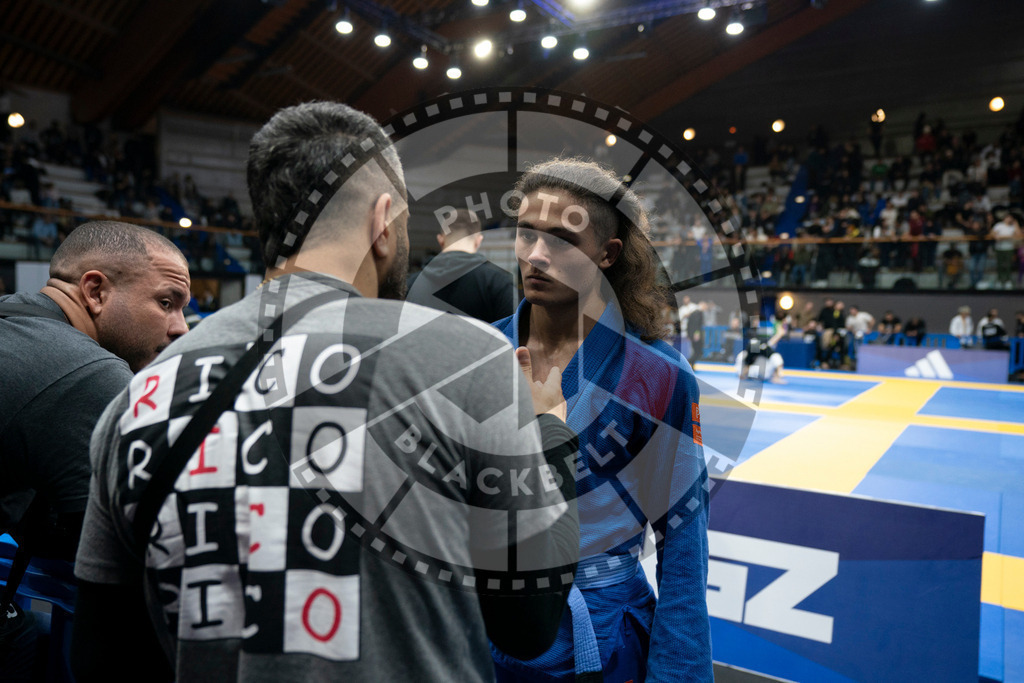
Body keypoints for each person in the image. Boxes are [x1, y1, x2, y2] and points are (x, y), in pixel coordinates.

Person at [71, 102, 579, 682]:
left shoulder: (138, 398)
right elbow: (529, 622)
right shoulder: (466, 358)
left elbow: (100, 655)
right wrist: (551, 431)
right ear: (382, 222)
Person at [492, 158, 710, 681]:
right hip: (488, 626)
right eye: (527, 233)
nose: (536, 255)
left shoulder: (658, 375)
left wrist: (676, 674)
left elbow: (683, 541)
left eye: (562, 240)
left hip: (600, 633)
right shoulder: (477, 351)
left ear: (607, 254)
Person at [0, 221, 190, 681]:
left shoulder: (13, 317)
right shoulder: (88, 371)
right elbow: (136, 545)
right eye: (166, 303)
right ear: (95, 291)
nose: (181, 328)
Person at [406, 207, 514, 322]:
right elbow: (511, 330)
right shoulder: (499, 283)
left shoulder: (410, 284)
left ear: (441, 240)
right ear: (478, 241)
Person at [990, 212, 1022, 289]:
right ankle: (1000, 280)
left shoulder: (1012, 226)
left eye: (1010, 218)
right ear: (1004, 218)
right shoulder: (999, 225)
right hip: (999, 248)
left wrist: (1016, 224)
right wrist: (996, 236)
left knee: (1008, 265)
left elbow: (1019, 234)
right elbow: (992, 233)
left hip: (1009, 248)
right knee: (1000, 264)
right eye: (1007, 217)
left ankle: (1008, 280)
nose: (1009, 219)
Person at [686, 300, 707, 368]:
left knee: (696, 351)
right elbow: (696, 325)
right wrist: (696, 333)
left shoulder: (693, 313)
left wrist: (689, 334)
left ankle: (692, 365)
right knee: (698, 351)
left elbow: (689, 325)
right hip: (696, 335)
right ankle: (688, 362)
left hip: (692, 335)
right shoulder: (698, 313)